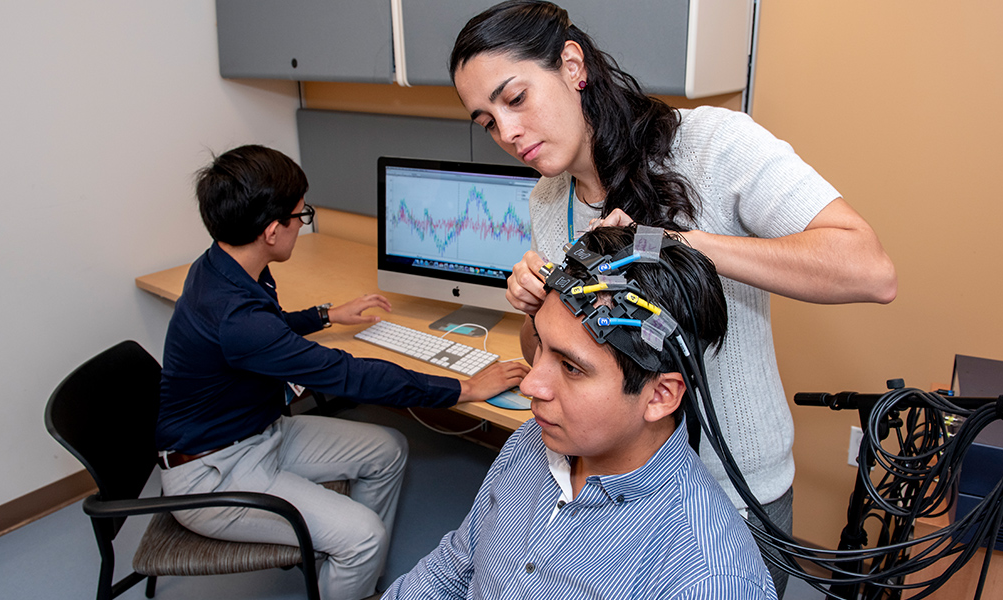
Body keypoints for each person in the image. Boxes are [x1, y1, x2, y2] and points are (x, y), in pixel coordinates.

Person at [449, 2, 897, 595]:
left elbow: (869, 269)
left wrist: (667, 243)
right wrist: (532, 309)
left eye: (516, 98)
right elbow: (555, 353)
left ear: (572, 65)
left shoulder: (713, 146)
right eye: (486, 120)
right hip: (622, 486)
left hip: (734, 490)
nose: (506, 133)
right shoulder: (547, 202)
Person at [156, 144, 528, 600]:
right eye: (300, 215)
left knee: (387, 448)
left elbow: (264, 333)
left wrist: (325, 315)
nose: (303, 221)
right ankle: (354, 550)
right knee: (362, 533)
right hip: (212, 474)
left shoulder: (221, 267)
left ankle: (351, 574)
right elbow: (349, 375)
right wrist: (463, 388)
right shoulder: (236, 319)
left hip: (254, 433)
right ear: (273, 231)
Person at [383, 225, 776, 600]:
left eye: (571, 368)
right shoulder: (532, 442)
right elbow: (454, 567)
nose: (530, 386)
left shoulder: (707, 580)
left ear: (659, 396)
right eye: (541, 345)